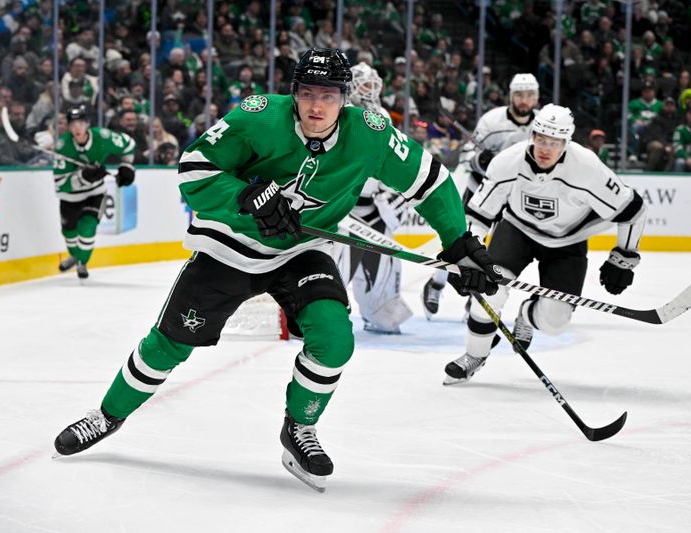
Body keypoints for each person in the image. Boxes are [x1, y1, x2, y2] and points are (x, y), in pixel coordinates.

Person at [52, 48, 501, 492]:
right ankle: (107, 415)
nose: (317, 106)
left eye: (328, 95)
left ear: (345, 99)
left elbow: (432, 182)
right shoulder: (258, 115)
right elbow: (193, 167)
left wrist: (457, 242)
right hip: (231, 248)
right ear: (294, 93)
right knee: (168, 345)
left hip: (302, 251)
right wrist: (246, 197)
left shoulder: (372, 133)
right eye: (307, 93)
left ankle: (299, 429)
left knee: (334, 338)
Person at [443, 104, 647, 385]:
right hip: (517, 230)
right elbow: (477, 215)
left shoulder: (587, 168)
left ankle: (527, 315)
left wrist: (624, 257)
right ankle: (474, 355)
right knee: (489, 291)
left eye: (554, 142)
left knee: (555, 322)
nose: (545, 148)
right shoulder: (507, 162)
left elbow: (634, 210)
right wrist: (468, 257)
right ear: (532, 134)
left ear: (567, 142)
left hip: (568, 242)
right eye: (540, 138)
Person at [422, 73, 540, 319]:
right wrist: (480, 161)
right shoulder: (492, 121)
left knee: (490, 253)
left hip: (510, 200)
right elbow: (467, 156)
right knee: (458, 241)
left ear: (536, 97)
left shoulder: (540, 126)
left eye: (529, 95)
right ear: (511, 96)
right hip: (480, 193)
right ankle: (436, 283)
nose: (524, 100)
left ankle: (475, 298)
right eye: (519, 94)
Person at [338, 61, 412, 334]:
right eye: (364, 84)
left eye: (373, 85)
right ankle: (324, 311)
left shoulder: (382, 114)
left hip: (374, 207)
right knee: (337, 265)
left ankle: (378, 311)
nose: (369, 90)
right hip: (344, 204)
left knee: (382, 266)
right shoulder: (341, 112)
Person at [53, 105, 136, 279]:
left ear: (87, 124)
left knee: (87, 227)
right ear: (68, 127)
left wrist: (126, 166)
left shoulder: (103, 137)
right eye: (73, 124)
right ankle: (75, 256)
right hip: (69, 198)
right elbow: (60, 183)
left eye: (81, 123)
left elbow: (129, 145)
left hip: (94, 193)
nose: (77, 128)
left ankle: (82, 262)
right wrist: (83, 176)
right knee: (69, 234)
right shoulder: (63, 147)